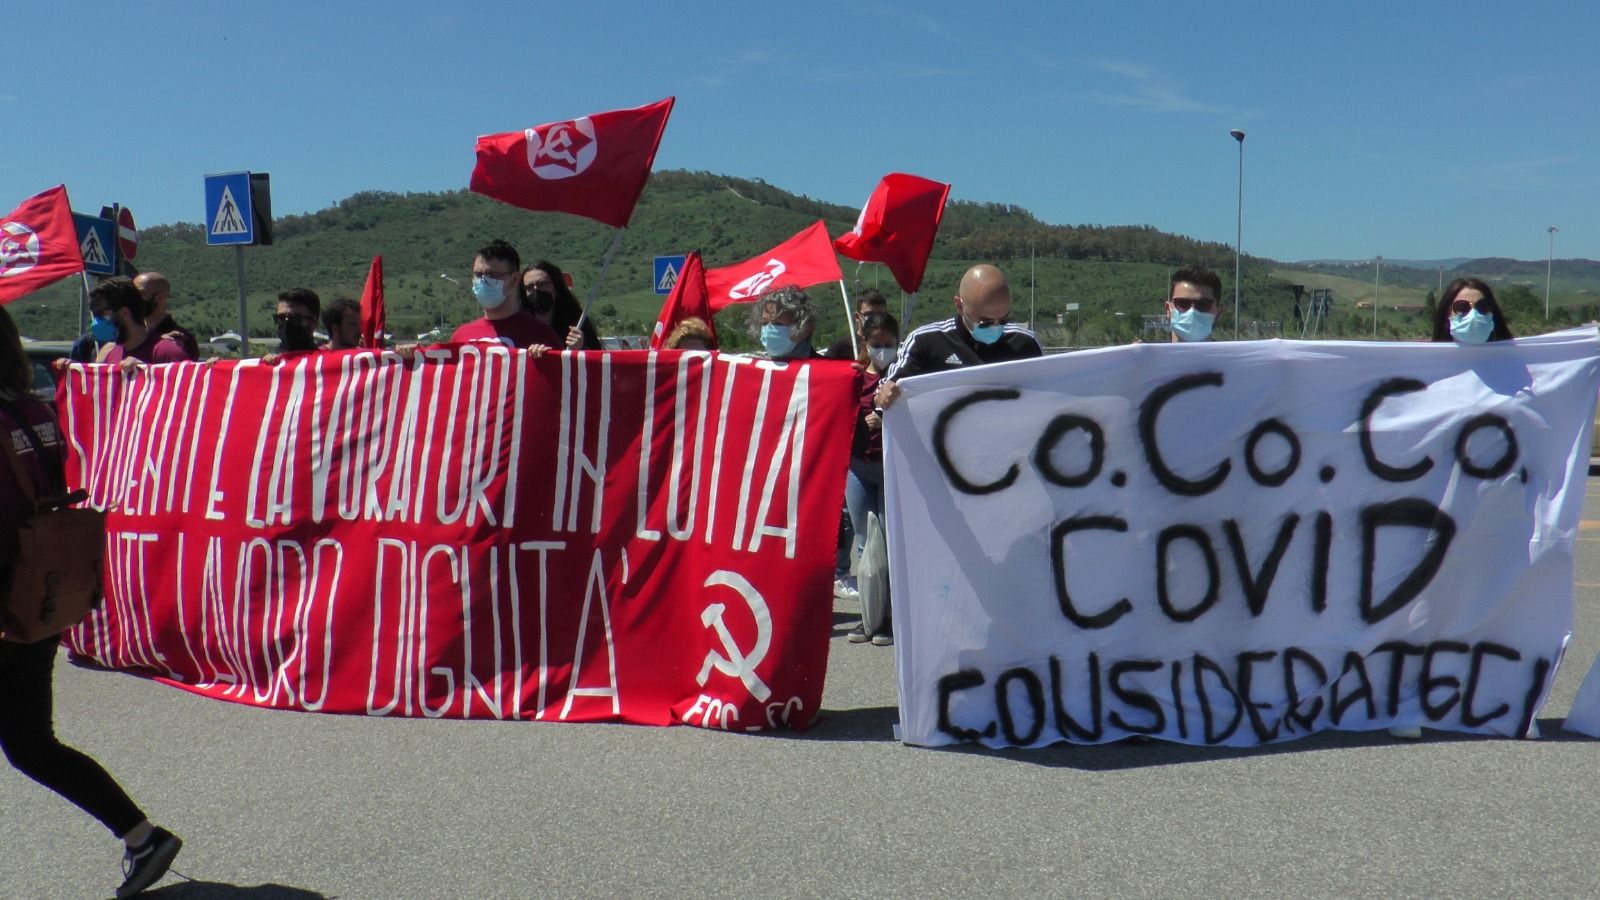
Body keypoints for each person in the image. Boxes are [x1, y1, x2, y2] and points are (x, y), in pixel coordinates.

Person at [0, 305, 183, 898]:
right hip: (43, 591)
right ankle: (141, 836)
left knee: (30, 744)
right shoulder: (34, 409)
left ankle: (143, 837)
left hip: (8, 597)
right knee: (31, 743)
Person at [875, 264, 1042, 409]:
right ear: (959, 306)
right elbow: (887, 390)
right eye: (985, 322)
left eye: (1004, 320)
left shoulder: (1026, 344)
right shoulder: (925, 342)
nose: (996, 328)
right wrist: (885, 393)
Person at [844, 312, 900, 646]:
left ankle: (890, 619)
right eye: (876, 344)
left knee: (890, 544)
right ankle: (869, 619)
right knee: (865, 544)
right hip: (857, 468)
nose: (882, 350)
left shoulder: (903, 375)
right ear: (864, 343)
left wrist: (888, 420)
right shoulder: (852, 377)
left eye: (888, 344)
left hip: (890, 468)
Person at [452, 240, 560, 350]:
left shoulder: (542, 336)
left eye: (491, 275)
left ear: (514, 279)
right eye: (478, 275)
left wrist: (544, 361)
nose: (483, 281)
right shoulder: (461, 337)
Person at [91, 278, 192, 366]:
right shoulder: (108, 354)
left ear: (124, 313)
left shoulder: (166, 352)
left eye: (101, 314)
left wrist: (147, 375)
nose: (97, 321)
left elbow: (187, 385)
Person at [524, 262, 602, 350]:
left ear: (556, 288)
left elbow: (595, 358)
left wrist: (579, 349)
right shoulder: (521, 328)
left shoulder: (574, 325)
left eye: (542, 284)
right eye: (529, 287)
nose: (536, 290)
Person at [134, 272, 201, 360]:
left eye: (140, 294)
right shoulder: (133, 335)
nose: (133, 299)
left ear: (159, 298)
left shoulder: (181, 339)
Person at [749, 286, 825, 360]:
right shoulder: (753, 368)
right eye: (764, 323)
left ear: (805, 328)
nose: (769, 330)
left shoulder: (826, 370)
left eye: (778, 323)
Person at [1431, 277, 1514, 344]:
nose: (1473, 315)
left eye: (1482, 306)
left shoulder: (1516, 361)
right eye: (1462, 307)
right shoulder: (1428, 363)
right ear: (1447, 316)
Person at [824, 288, 890, 360]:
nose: (876, 319)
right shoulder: (841, 347)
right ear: (857, 316)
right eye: (870, 315)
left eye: (881, 315)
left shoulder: (888, 346)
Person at [1164, 266, 1225, 343]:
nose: (1192, 312)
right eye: (1182, 303)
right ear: (1168, 310)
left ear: (1219, 312)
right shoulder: (1148, 354)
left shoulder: (1234, 355)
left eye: (1203, 304)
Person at [275, 288, 322, 354]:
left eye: (294, 318)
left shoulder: (324, 363)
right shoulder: (271, 362)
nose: (286, 323)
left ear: (313, 323)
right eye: (281, 318)